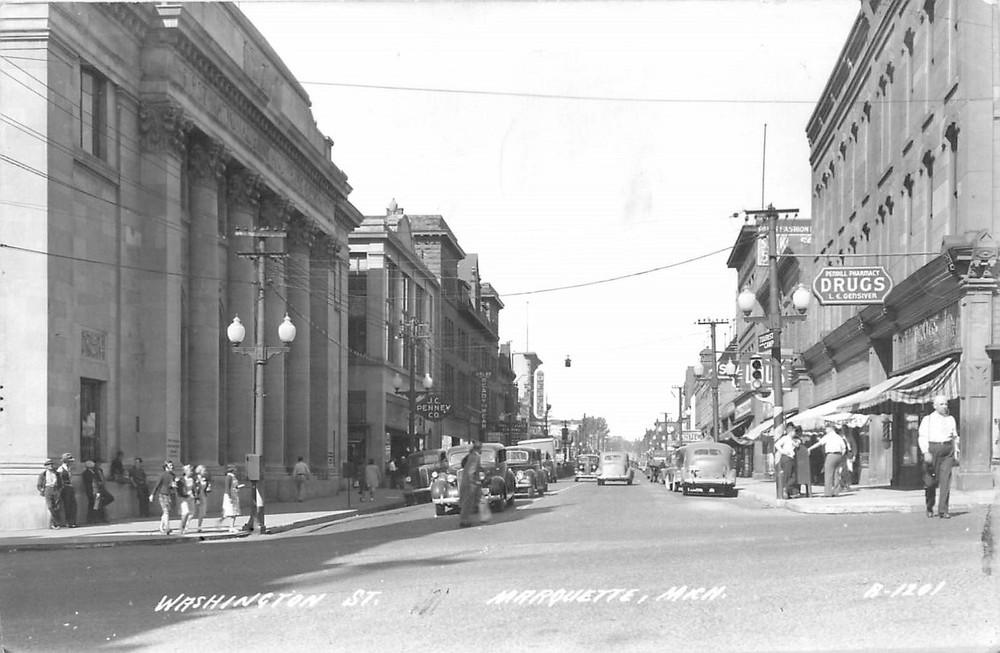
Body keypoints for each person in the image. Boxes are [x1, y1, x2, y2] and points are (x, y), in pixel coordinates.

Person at [919, 394, 960, 519]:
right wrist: (925, 451)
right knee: (930, 481)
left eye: (946, 404)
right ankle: (930, 506)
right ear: (935, 406)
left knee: (945, 480)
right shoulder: (928, 419)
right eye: (941, 404)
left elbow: (955, 437)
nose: (944, 406)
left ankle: (943, 510)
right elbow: (923, 436)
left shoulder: (951, 419)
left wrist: (956, 452)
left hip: (947, 451)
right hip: (933, 450)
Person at [808, 424, 848, 497]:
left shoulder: (828, 436)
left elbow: (819, 443)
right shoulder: (839, 437)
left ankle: (828, 493)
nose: (825, 430)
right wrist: (841, 455)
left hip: (831, 455)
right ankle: (836, 491)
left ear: (830, 429)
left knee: (828, 474)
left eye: (826, 429)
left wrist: (810, 448)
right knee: (836, 474)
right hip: (839, 455)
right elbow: (844, 448)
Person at [459, 442, 484, 528]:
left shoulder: (470, 456)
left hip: (466, 481)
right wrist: (475, 481)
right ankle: (464, 521)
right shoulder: (475, 457)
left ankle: (470, 519)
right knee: (468, 503)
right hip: (470, 484)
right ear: (479, 449)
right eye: (481, 448)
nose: (482, 450)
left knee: (475, 501)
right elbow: (472, 471)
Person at [774, 424, 802, 499]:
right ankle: (785, 490)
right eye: (794, 431)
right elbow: (777, 444)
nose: (795, 433)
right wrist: (783, 451)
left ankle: (786, 490)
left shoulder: (793, 439)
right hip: (786, 458)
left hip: (791, 458)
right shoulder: (785, 438)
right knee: (788, 476)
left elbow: (797, 444)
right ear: (791, 431)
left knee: (793, 477)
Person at [37, 459, 65, 529]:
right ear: (46, 466)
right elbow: (39, 485)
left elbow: (61, 483)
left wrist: (59, 490)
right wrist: (42, 490)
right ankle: (55, 522)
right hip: (48, 489)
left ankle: (53, 524)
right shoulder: (43, 474)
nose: (51, 466)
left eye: (51, 464)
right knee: (50, 507)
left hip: (56, 489)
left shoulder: (57, 474)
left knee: (57, 507)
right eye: (49, 465)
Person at [150, 460, 177, 534]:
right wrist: (152, 494)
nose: (172, 467)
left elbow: (173, 485)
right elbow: (157, 485)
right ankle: (167, 528)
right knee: (166, 512)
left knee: (166, 512)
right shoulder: (162, 475)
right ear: (166, 467)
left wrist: (174, 486)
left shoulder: (173, 475)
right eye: (170, 465)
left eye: (172, 465)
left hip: (169, 495)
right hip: (163, 494)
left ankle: (161, 526)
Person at [82, 460, 110, 524]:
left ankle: (94, 519)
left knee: (95, 505)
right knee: (93, 505)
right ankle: (92, 519)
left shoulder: (93, 472)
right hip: (92, 491)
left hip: (96, 490)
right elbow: (90, 483)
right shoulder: (86, 473)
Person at [220, 464, 243, 532]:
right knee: (233, 511)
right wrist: (229, 497)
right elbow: (227, 487)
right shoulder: (229, 476)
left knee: (232, 511)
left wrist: (237, 487)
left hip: (234, 494)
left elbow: (233, 486)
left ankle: (227, 524)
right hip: (230, 495)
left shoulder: (233, 477)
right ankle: (231, 526)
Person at [57, 453, 78, 528]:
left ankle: (73, 521)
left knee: (73, 505)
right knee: (67, 505)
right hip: (65, 488)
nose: (71, 462)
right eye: (69, 461)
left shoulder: (69, 468)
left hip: (70, 487)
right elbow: (59, 480)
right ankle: (69, 522)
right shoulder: (61, 469)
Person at [176, 464, 196, 534]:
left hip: (191, 497)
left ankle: (186, 527)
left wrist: (196, 496)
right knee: (185, 512)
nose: (191, 472)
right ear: (186, 471)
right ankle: (182, 527)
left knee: (191, 514)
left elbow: (194, 489)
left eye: (192, 471)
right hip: (183, 498)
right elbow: (178, 488)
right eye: (190, 471)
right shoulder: (181, 479)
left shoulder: (192, 479)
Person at [193, 464, 212, 532]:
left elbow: (207, 487)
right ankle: (185, 526)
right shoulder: (196, 478)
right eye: (204, 470)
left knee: (202, 512)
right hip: (196, 496)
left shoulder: (206, 478)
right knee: (192, 512)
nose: (205, 471)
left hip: (203, 495)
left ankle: (199, 526)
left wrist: (208, 487)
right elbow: (194, 487)